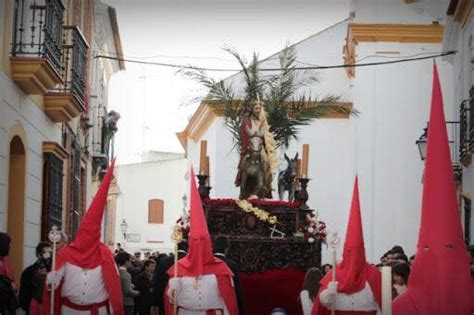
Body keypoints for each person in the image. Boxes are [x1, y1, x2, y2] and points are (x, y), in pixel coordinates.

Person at [44, 160, 123, 315]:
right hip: (69, 311)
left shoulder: (105, 255)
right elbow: (53, 286)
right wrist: (50, 281)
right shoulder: (66, 254)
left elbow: (114, 287)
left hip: (97, 311)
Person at [164, 168, 238, 314]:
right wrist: (171, 291)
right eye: (195, 241)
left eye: (202, 241)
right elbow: (170, 303)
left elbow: (228, 300)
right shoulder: (179, 268)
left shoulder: (221, 269)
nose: (199, 245)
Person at [311, 177, 381, 315]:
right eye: (350, 251)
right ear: (344, 252)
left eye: (358, 251)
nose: (354, 256)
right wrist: (326, 297)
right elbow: (321, 306)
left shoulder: (373, 274)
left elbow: (384, 305)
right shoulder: (333, 276)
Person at [235, 99, 273, 198]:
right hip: (251, 145)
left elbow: (265, 134)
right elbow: (245, 133)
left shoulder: (260, 121)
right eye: (256, 108)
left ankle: (266, 183)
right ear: (251, 109)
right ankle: (242, 180)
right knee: (245, 162)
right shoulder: (246, 120)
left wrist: (265, 145)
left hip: (260, 145)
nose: (258, 110)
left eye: (259, 108)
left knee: (266, 161)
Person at [151, 240, 188, 315]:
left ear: (176, 248)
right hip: (185, 299)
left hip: (165, 298)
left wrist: (155, 303)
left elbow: (157, 282)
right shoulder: (190, 261)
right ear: (188, 248)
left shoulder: (163, 261)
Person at [213, 236, 244, 315]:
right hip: (226, 305)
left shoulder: (208, 263)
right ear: (226, 249)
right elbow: (236, 290)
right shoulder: (231, 265)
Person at [19, 241, 52, 314]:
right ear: (38, 255)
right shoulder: (28, 272)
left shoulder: (55, 271)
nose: (48, 256)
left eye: (50, 253)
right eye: (46, 253)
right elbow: (23, 297)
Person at [0, 232, 18, 314]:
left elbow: (10, 275)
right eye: (8, 243)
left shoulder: (6, 259)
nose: (10, 246)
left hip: (8, 301)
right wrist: (9, 285)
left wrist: (13, 284)